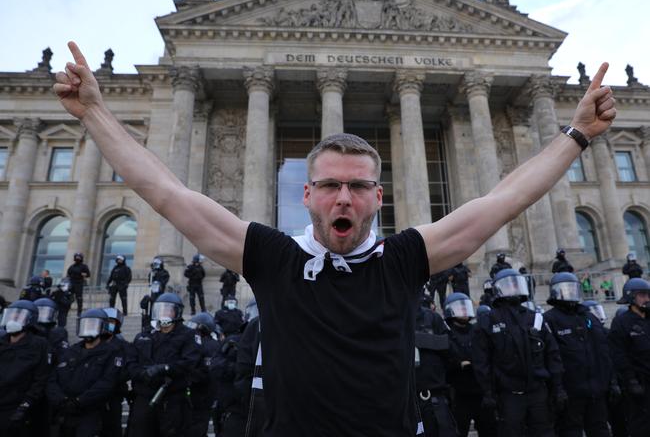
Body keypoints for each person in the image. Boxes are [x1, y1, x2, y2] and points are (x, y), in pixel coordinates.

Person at [53, 43, 616, 437]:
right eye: (328, 185)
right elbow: (166, 193)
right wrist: (96, 114)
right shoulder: (274, 260)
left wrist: (578, 136)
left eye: (357, 186)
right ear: (306, 195)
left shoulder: (404, 260)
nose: (342, 197)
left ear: (378, 198)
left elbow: (505, 200)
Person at [472, 268, 564, 437]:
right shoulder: (488, 321)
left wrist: (558, 387)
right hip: (509, 395)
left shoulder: (534, 317)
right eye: (508, 285)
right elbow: (481, 361)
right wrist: (488, 392)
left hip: (538, 392)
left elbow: (552, 354)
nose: (513, 288)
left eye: (516, 284)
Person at [543, 272, 613, 437]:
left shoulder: (588, 317)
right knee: (570, 431)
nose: (569, 293)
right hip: (570, 392)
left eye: (572, 289)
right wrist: (557, 388)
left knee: (600, 430)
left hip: (595, 389)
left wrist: (611, 381)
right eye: (565, 289)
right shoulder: (549, 319)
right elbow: (551, 357)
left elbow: (603, 352)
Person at [127, 292, 201, 436]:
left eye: (168, 310)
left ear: (177, 312)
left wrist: (163, 369)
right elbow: (131, 362)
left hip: (171, 399)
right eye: (160, 309)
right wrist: (142, 373)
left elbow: (189, 362)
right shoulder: (144, 335)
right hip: (144, 398)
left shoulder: (188, 335)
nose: (163, 313)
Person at [47, 308, 121, 437]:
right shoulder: (70, 351)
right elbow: (53, 379)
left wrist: (79, 401)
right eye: (85, 324)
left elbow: (106, 383)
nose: (88, 328)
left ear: (102, 327)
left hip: (91, 412)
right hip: (65, 411)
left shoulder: (112, 352)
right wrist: (62, 400)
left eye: (93, 324)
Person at [445, 293, 496, 437]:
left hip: (480, 391)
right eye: (459, 308)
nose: (463, 311)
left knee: (489, 429)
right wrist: (458, 364)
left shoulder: (477, 330)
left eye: (464, 307)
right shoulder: (447, 332)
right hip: (459, 393)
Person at [0, 300, 50, 436]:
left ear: (30, 320)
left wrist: (25, 405)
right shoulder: (2, 341)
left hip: (15, 407)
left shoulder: (39, 344)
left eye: (18, 316)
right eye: (11, 316)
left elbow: (40, 378)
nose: (13, 319)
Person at [608, 278, 650, 437]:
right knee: (642, 425)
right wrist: (630, 380)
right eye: (642, 295)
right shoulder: (621, 322)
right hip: (639, 384)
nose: (647, 299)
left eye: (648, 295)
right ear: (631, 297)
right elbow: (618, 354)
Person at [414, 294, 458, 437]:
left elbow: (452, 351)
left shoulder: (432, 318)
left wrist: (421, 339)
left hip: (434, 399)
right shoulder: (391, 319)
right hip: (405, 402)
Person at [100, 307, 134, 437]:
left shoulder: (123, 345)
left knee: (113, 427)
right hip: (94, 394)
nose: (109, 324)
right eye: (106, 321)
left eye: (112, 322)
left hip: (115, 392)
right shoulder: (95, 342)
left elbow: (128, 368)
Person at [186, 312, 221, 437]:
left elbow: (207, 371)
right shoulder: (196, 342)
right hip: (198, 391)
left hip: (203, 392)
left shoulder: (210, 345)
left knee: (199, 424)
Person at [66, 252, 91, 316]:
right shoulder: (72, 266)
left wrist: (82, 274)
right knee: (69, 297)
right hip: (72, 283)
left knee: (79, 298)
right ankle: (66, 309)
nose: (77, 258)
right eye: (76, 257)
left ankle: (79, 312)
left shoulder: (84, 266)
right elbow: (68, 274)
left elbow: (88, 274)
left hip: (79, 283)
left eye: (79, 257)